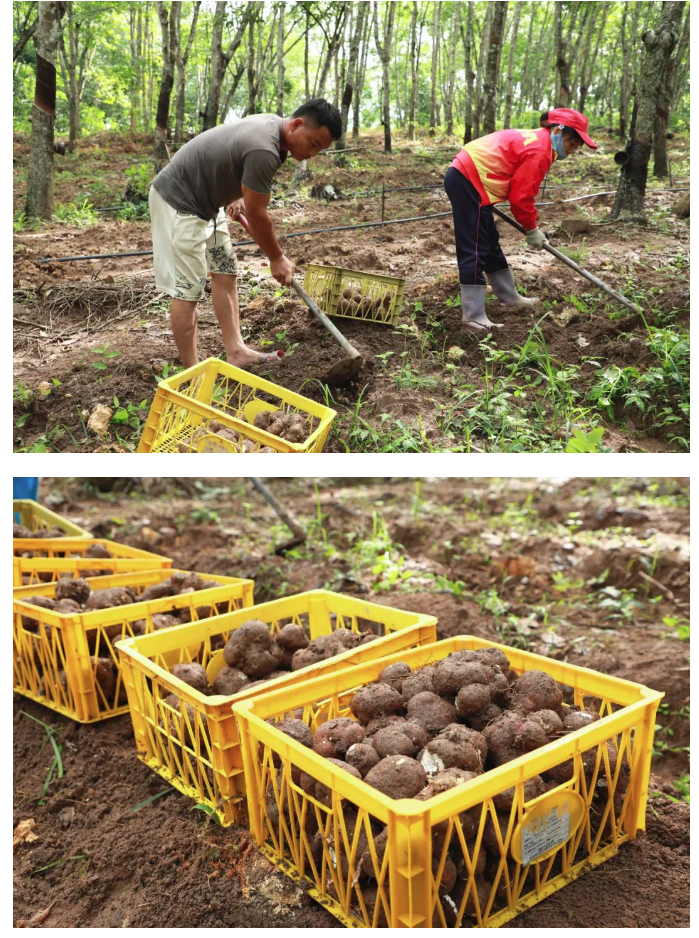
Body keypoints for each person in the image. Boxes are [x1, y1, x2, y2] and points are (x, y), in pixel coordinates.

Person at [149, 98, 342, 368]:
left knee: (225, 270)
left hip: (208, 201)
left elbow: (236, 159)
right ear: (297, 124)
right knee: (187, 291)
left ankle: (236, 350)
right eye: (314, 144)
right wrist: (276, 257)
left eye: (320, 149)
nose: (313, 154)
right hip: (179, 202)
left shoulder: (274, 132)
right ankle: (193, 372)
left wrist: (239, 193)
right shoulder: (265, 148)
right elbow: (257, 214)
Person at [444, 108, 598, 331]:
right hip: (467, 179)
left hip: (475, 181)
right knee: (474, 246)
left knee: (488, 241)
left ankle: (509, 297)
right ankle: (473, 315)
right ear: (557, 131)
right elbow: (521, 197)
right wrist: (531, 229)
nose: (572, 151)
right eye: (572, 144)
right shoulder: (540, 150)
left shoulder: (541, 142)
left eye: (576, 148)